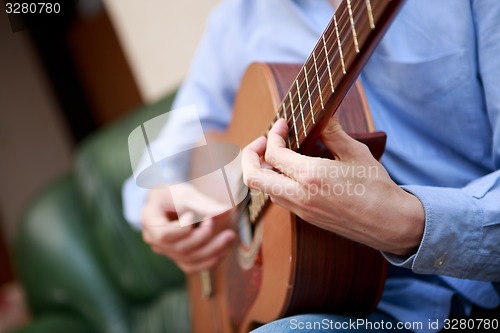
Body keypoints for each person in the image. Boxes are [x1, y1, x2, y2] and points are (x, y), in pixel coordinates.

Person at [122, 0, 500, 332]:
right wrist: (162, 201)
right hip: (343, 303)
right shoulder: (238, 20)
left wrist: (406, 222)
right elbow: (163, 161)